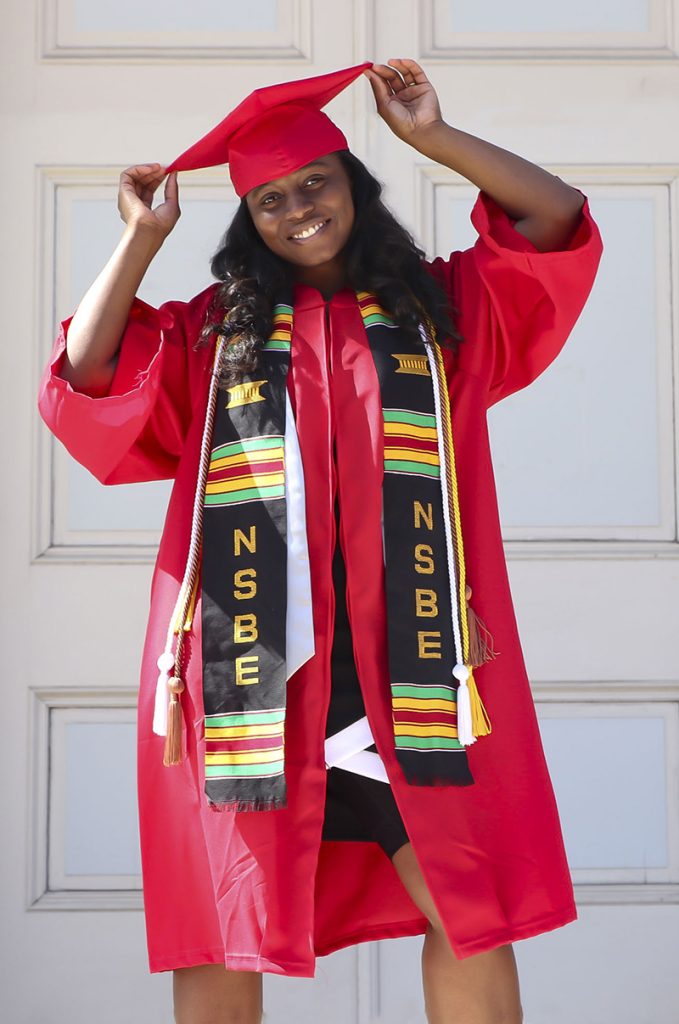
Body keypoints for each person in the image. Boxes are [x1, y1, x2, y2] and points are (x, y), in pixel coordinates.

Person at [38, 58, 602, 1024]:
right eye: (268, 199)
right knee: (226, 934)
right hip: (253, 675)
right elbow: (87, 374)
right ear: (246, 220)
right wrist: (139, 241)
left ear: (353, 183)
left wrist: (435, 138)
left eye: (314, 183)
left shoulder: (439, 315)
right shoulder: (216, 339)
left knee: (469, 915)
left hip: (411, 670)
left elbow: (552, 223)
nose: (297, 209)